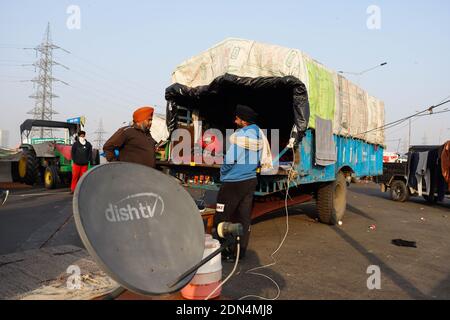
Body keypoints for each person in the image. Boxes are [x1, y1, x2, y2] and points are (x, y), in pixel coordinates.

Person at [213, 104, 263, 262]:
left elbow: (230, 159)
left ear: (244, 121)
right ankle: (239, 253)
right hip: (250, 180)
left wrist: (223, 171)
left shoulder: (243, 136)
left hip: (234, 181)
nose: (235, 121)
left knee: (222, 217)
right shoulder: (258, 134)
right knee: (243, 218)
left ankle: (223, 252)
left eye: (237, 118)